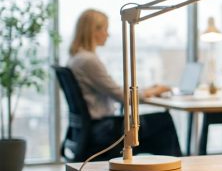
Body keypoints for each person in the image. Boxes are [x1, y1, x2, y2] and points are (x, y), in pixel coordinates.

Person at [67, 9, 181, 159]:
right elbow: (123, 97)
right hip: (104, 128)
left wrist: (148, 90)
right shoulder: (89, 61)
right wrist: (153, 91)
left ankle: (165, 169)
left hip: (91, 128)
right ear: (93, 31)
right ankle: (173, 168)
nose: (108, 34)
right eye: (105, 29)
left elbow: (114, 90)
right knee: (163, 121)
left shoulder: (77, 58)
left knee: (157, 129)